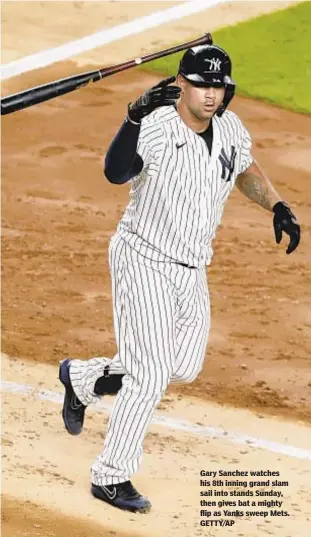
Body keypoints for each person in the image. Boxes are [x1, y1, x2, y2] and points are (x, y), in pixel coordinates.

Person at [59, 42, 300, 514]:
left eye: (220, 87)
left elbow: (244, 168)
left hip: (192, 267)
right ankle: (110, 476)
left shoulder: (229, 128)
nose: (212, 95)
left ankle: (83, 379)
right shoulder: (155, 126)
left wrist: (277, 204)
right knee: (148, 375)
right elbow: (114, 172)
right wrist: (131, 119)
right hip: (143, 258)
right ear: (182, 84)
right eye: (204, 85)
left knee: (182, 365)